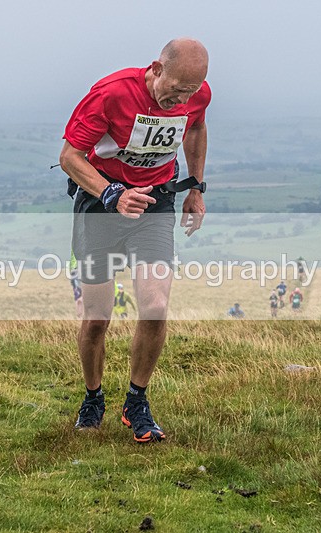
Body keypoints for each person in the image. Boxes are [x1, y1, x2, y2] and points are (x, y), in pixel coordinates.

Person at [59, 38, 211, 443]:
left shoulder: (196, 95)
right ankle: (93, 397)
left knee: (156, 307)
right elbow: (70, 156)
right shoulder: (111, 93)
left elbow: (196, 127)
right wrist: (112, 193)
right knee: (97, 319)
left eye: (190, 92)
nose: (180, 100)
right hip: (100, 204)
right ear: (156, 70)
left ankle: (137, 401)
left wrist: (195, 187)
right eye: (175, 89)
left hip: (154, 204)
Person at [69, 251, 84, 319]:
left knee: (78, 296)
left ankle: (79, 316)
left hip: (74, 271)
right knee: (83, 296)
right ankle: (81, 316)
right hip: (81, 270)